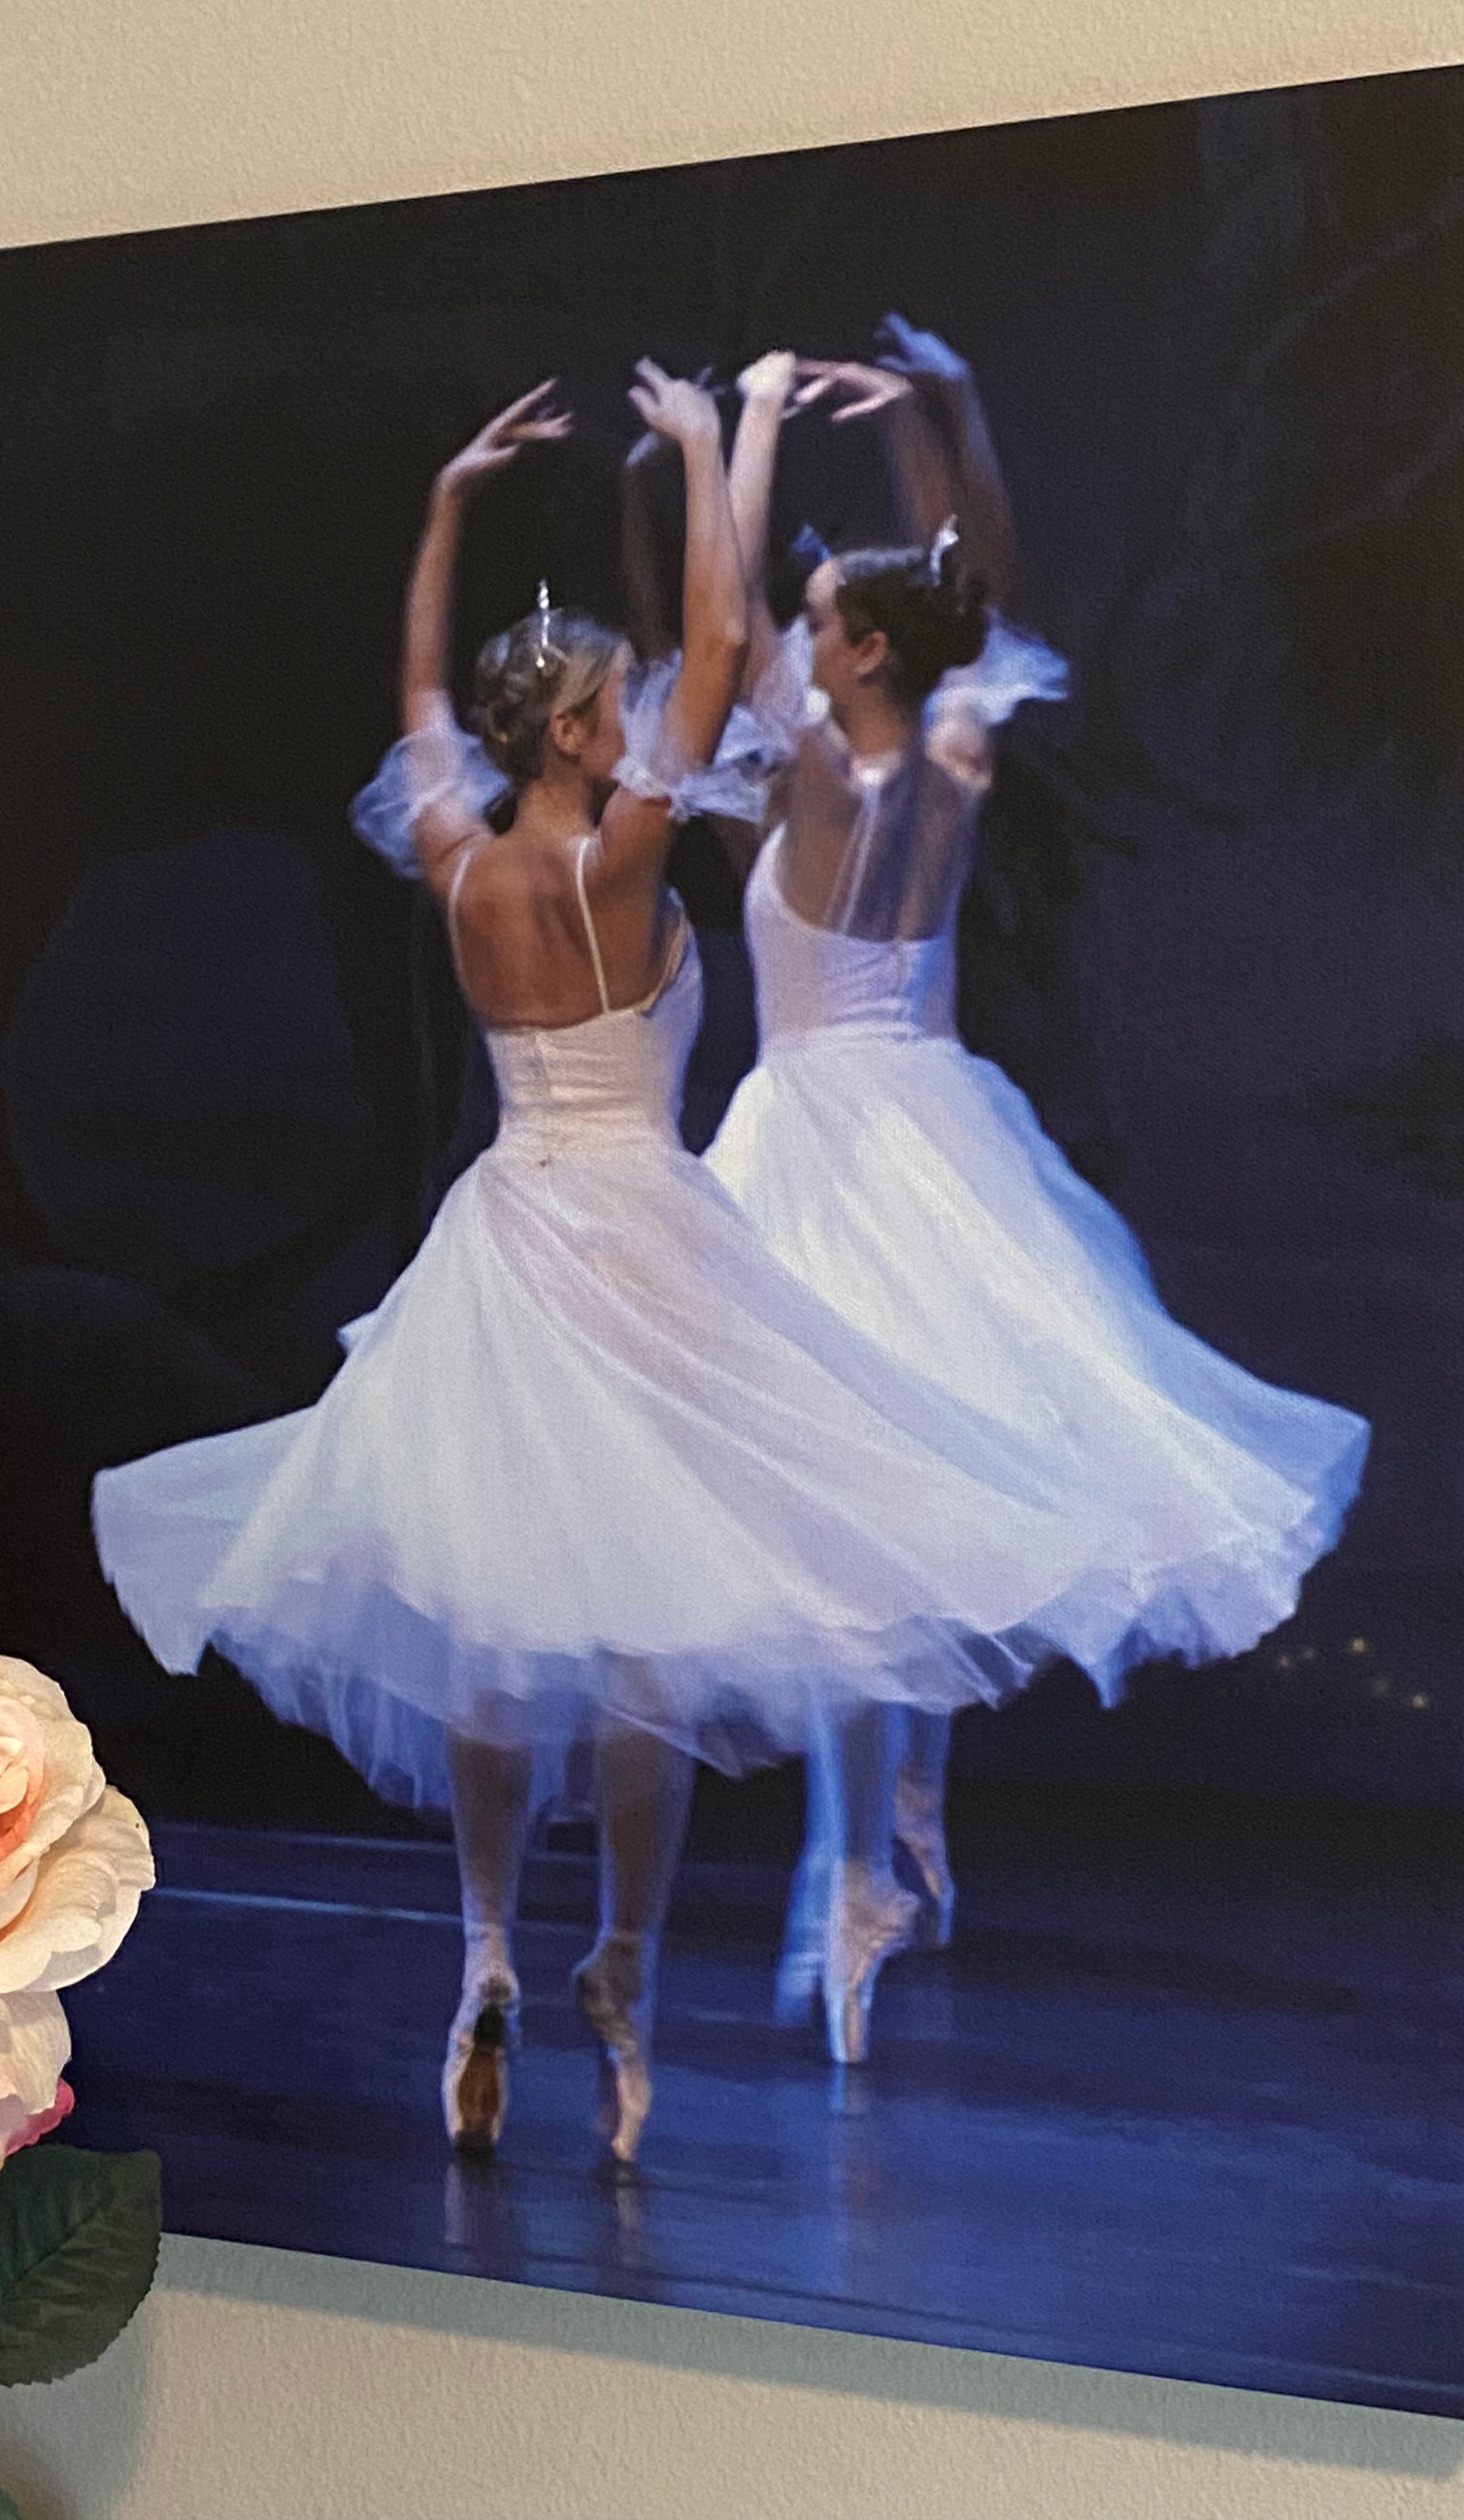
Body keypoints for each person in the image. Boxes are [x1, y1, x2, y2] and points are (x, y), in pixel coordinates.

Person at [94, 367, 1133, 2160]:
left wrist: (443, 505)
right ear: (583, 740)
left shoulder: (458, 854)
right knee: (644, 1644)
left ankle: (485, 1947)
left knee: (502, 1633)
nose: (639, 710)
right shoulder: (634, 861)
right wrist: (727, 428)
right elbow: (724, 639)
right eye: (611, 706)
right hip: (643, 1237)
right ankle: (624, 1980)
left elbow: (416, 693)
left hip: (502, 1239)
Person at [699, 325, 1373, 2062]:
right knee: (899, 1504)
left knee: (853, 1523)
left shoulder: (815, 771)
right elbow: (972, 591)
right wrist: (951, 409)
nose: (791, 636)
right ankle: (903, 1817)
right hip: (934, 1130)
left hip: (837, 1146)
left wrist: (747, 431)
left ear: (847, 654)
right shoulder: (951, 753)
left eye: (816, 622)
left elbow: (734, 618)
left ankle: (859, 1868)